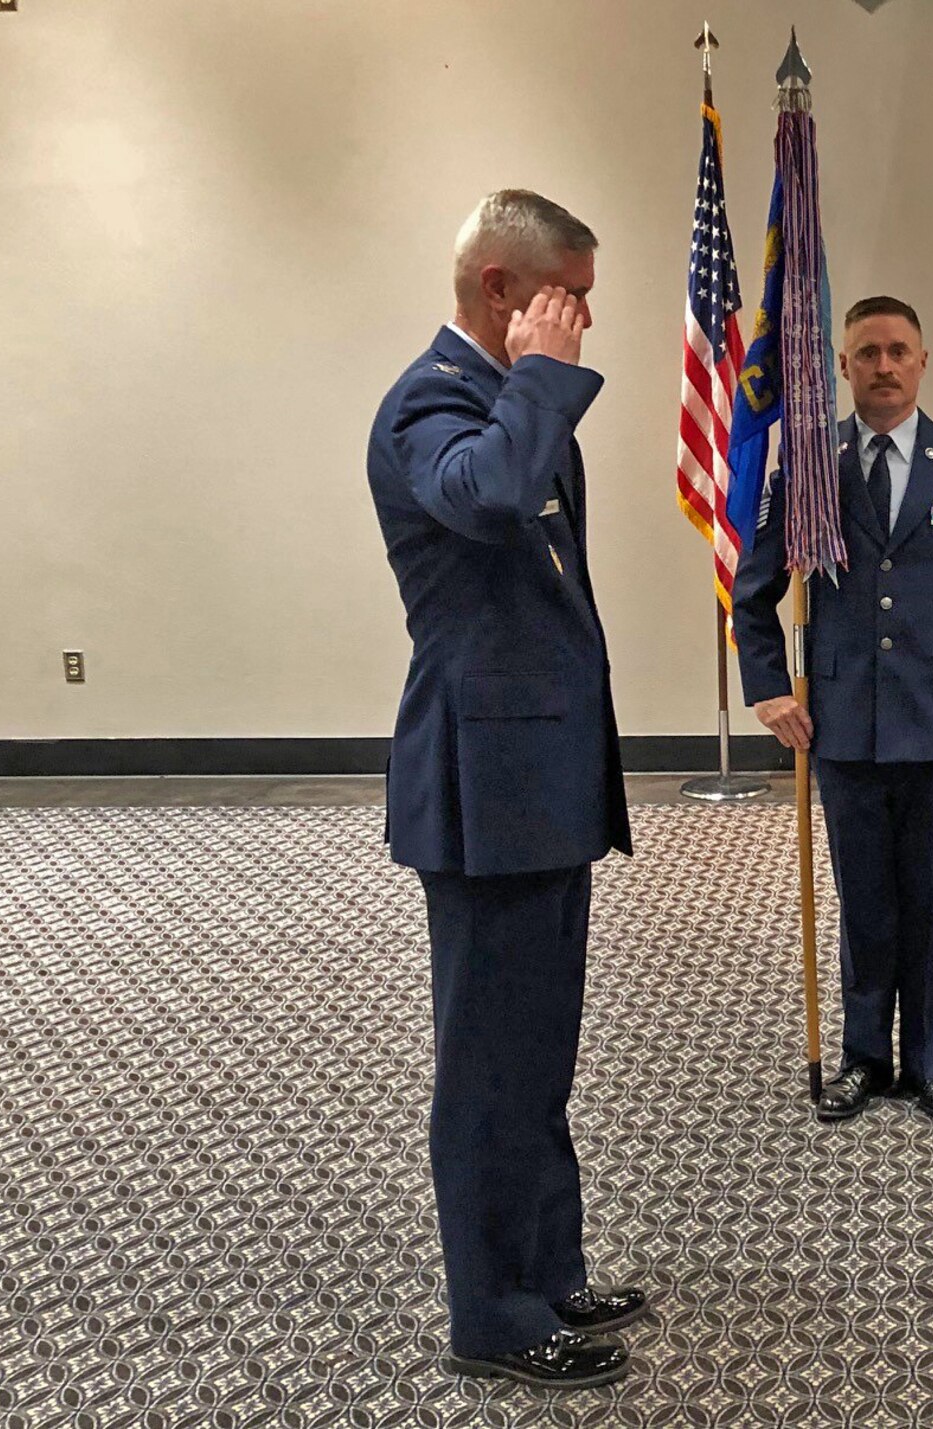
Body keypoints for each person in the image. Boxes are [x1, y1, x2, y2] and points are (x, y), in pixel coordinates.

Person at [364, 189, 644, 1391]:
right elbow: (482, 500)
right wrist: (539, 376)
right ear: (505, 292)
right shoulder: (432, 404)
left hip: (540, 775)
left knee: (538, 1048)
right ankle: (491, 1313)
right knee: (488, 1063)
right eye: (571, 293)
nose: (587, 317)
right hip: (483, 786)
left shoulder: (498, 405)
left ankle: (547, 1266)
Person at [734, 296, 933, 1123]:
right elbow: (753, 587)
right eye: (867, 352)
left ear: (924, 361)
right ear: (842, 365)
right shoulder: (806, 466)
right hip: (843, 718)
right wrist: (767, 685)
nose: (885, 367)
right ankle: (866, 1055)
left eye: (900, 350)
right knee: (864, 896)